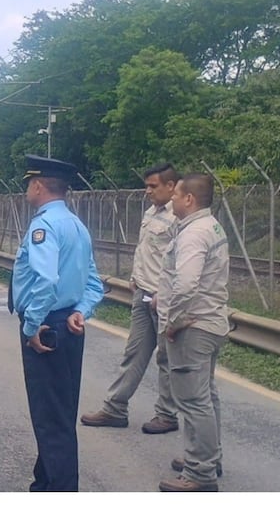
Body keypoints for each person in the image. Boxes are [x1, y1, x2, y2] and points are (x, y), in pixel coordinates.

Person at [8, 154, 104, 492]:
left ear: (37, 185)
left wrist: (32, 326)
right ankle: (45, 483)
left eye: (27, 185)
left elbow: (46, 280)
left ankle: (60, 490)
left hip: (47, 326)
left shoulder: (44, 225)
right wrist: (82, 310)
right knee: (59, 414)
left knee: (50, 419)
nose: (26, 190)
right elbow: (94, 282)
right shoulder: (76, 224)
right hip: (69, 324)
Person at [81, 163, 180, 434]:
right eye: (146, 185)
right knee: (133, 353)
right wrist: (136, 278)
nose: (147, 191)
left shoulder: (180, 216)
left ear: (171, 187)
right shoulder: (151, 212)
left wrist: (166, 293)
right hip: (143, 293)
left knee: (167, 359)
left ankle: (167, 415)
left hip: (165, 298)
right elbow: (147, 250)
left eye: (153, 186)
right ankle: (115, 408)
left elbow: (180, 262)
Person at [157, 173, 230, 492]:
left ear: (189, 199)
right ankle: (208, 458)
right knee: (206, 396)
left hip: (193, 326)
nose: (172, 198)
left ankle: (200, 474)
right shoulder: (211, 226)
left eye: (177, 195)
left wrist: (172, 321)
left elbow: (185, 283)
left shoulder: (193, 234)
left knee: (193, 399)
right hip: (210, 322)